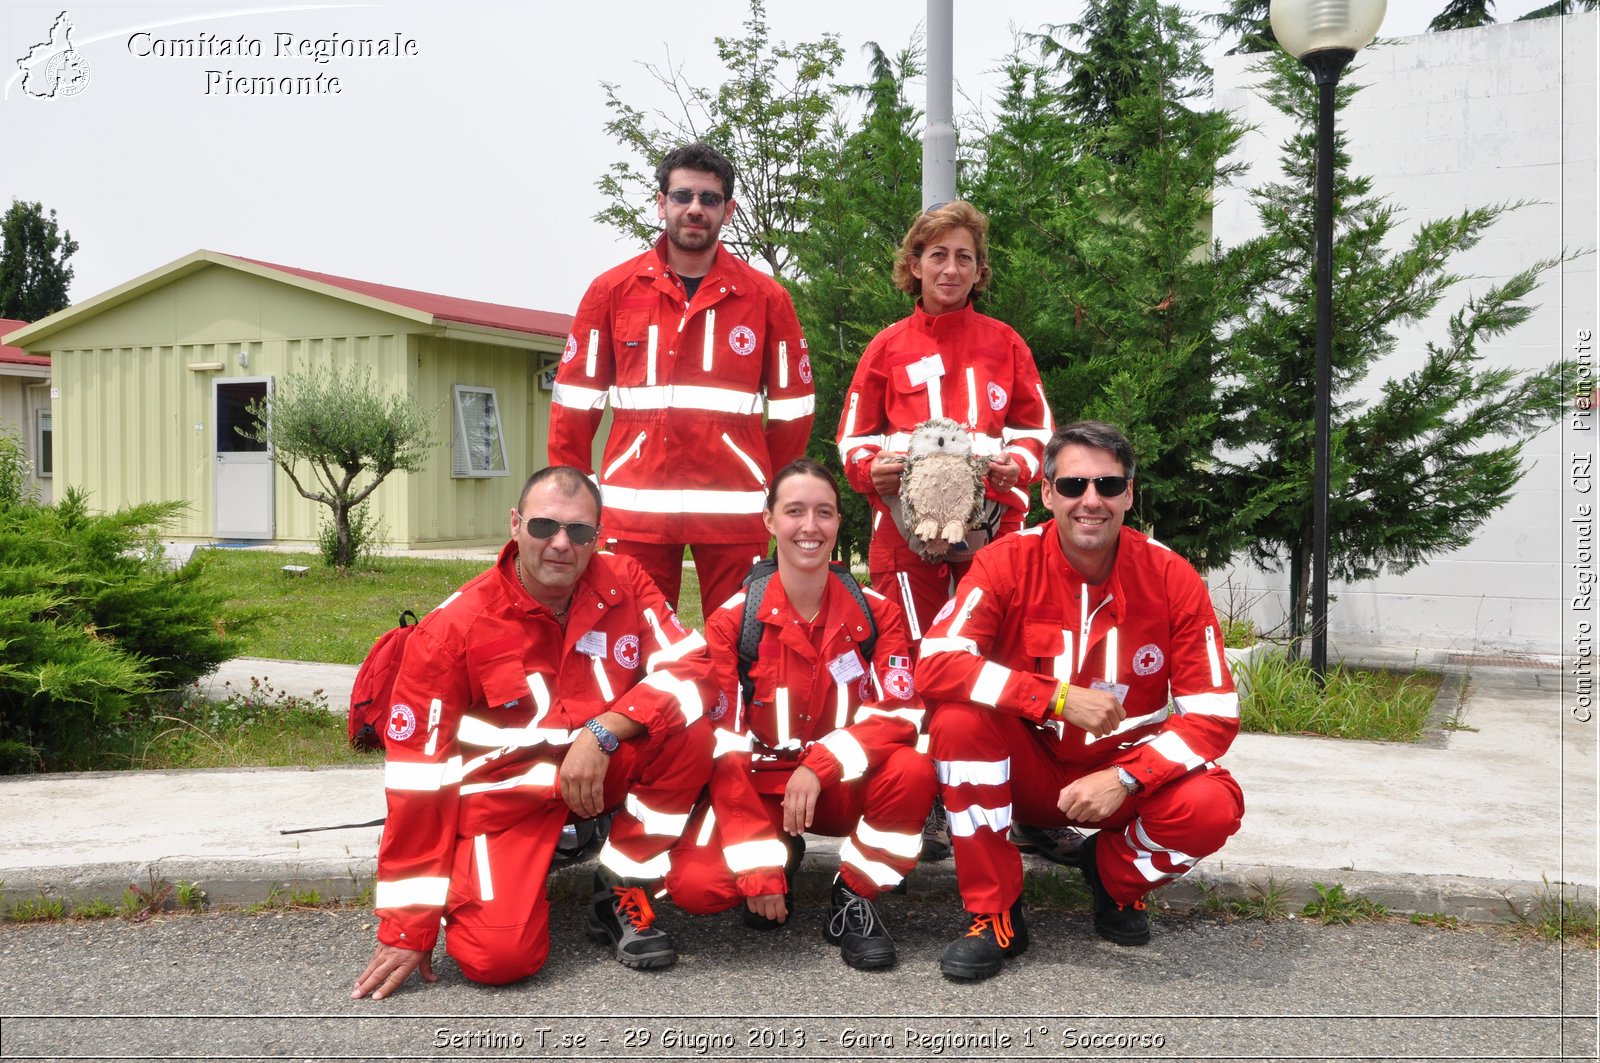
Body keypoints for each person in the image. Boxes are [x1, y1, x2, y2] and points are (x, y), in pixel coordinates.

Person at [351, 466, 715, 999]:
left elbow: (693, 670)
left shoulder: (625, 582)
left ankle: (621, 885)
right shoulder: (452, 630)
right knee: (497, 960)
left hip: (596, 768)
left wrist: (603, 731)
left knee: (690, 729)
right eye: (545, 527)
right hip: (507, 799)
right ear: (516, 525)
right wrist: (409, 926)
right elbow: (417, 783)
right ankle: (485, 872)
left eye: (580, 532)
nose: (561, 545)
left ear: (599, 535)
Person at [918, 421, 1246, 981]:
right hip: (1024, 769)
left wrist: (1127, 778)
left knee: (1213, 805)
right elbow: (937, 663)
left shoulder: (1172, 576)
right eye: (1072, 486)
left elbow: (1214, 714)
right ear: (1047, 494)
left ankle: (1113, 878)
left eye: (1107, 485)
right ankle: (994, 911)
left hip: (1117, 774)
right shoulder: (1004, 562)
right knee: (958, 719)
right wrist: (1055, 697)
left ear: (1129, 495)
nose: (1090, 500)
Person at [665, 459, 936, 970]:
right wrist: (760, 871)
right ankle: (780, 854)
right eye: (794, 512)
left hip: (840, 787)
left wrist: (820, 765)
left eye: (824, 513)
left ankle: (856, 893)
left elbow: (900, 712)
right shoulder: (732, 621)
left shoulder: (879, 612)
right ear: (769, 521)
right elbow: (722, 747)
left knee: (913, 770)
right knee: (698, 888)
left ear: (838, 523)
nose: (809, 527)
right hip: (759, 787)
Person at [550, 141, 814, 615]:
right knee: (625, 643)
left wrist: (765, 486)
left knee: (742, 645)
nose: (695, 209)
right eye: (682, 196)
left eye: (710, 199)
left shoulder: (766, 298)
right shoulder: (611, 291)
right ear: (661, 203)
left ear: (728, 210)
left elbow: (796, 411)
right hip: (634, 514)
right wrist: (575, 503)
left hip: (736, 516)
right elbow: (573, 405)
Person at [835, 200, 1052, 642]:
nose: (950, 268)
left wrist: (1020, 467)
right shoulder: (887, 347)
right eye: (938, 255)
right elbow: (854, 436)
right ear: (915, 266)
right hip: (905, 529)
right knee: (908, 648)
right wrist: (869, 468)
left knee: (993, 645)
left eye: (963, 256)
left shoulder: (1006, 344)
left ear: (978, 271)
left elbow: (1037, 431)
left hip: (995, 525)